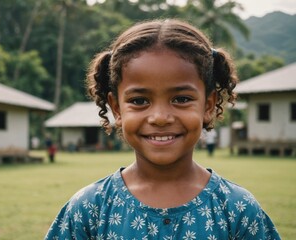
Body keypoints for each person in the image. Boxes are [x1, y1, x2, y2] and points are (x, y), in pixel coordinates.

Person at [45, 19, 280, 239]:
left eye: (181, 99)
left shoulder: (237, 209)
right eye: (139, 101)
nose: (159, 118)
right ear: (116, 108)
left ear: (208, 105)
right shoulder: (88, 209)